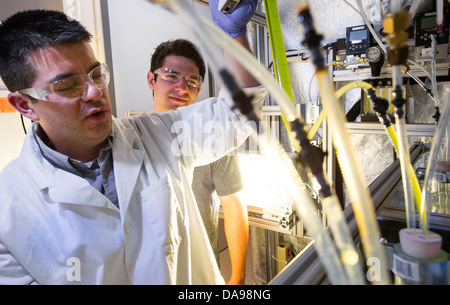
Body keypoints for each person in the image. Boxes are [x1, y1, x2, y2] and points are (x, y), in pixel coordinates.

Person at [0, 2, 264, 285]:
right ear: (24, 105)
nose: (95, 91)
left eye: (97, 75)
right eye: (67, 85)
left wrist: (233, 35)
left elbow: (236, 114)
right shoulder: (9, 208)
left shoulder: (157, 133)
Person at [148, 39, 254, 285]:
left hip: (201, 275)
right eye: (171, 76)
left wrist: (237, 278)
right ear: (152, 80)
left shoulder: (213, 140)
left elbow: (234, 206)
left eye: (191, 81)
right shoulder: (133, 140)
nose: (182, 88)